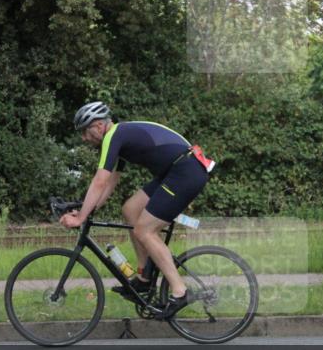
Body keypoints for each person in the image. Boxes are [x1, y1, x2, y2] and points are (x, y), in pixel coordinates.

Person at [59, 101, 214, 319]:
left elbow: (99, 181)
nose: (84, 138)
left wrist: (81, 217)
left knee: (144, 230)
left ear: (97, 125)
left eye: (85, 132)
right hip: (174, 171)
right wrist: (86, 212)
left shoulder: (114, 135)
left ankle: (180, 291)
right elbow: (111, 182)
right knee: (130, 209)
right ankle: (144, 277)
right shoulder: (120, 137)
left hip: (185, 171)